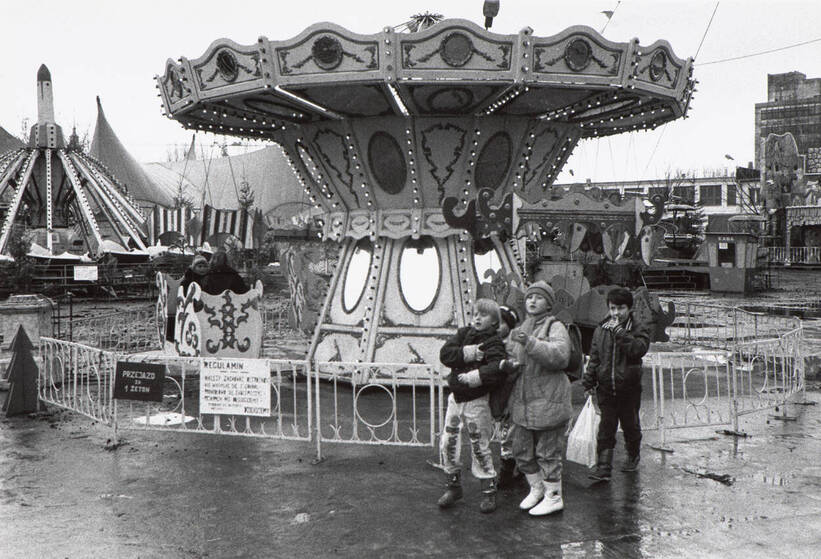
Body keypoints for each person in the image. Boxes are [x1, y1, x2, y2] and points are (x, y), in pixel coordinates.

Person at [437, 298, 512, 514]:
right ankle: (453, 485)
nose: (477, 318)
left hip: (477, 400)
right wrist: (468, 353)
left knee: (479, 444)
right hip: (456, 397)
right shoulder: (463, 334)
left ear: (494, 321)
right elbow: (445, 354)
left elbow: (497, 370)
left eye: (484, 315)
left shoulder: (495, 343)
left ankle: (488, 490)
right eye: (475, 313)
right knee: (447, 442)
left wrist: (476, 376)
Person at [507, 280, 572, 516]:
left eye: (539, 297)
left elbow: (560, 356)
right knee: (521, 450)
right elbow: (513, 352)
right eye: (529, 297)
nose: (532, 301)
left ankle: (554, 496)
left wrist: (531, 342)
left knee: (548, 452)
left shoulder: (555, 327)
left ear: (549, 303)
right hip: (525, 399)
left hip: (549, 399)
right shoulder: (525, 324)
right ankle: (537, 488)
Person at [583, 287, 651, 481]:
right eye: (612, 308)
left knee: (630, 425)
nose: (616, 313)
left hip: (629, 389)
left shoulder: (639, 327)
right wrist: (589, 381)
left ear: (629, 308)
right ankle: (603, 467)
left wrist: (620, 333)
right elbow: (594, 358)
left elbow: (638, 349)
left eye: (620, 308)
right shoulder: (601, 329)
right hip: (606, 388)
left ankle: (633, 454)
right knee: (606, 426)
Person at [494, 305, 524, 489]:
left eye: (502, 323)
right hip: (501, 395)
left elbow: (513, 371)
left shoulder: (513, 345)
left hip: (512, 395)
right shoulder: (492, 342)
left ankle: (508, 469)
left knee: (509, 433)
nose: (497, 326)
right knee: (506, 432)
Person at [166, 254, 210, 342]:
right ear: (194, 268)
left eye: (204, 266)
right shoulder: (189, 279)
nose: (202, 269)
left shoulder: (208, 279)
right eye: (199, 266)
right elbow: (185, 294)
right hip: (190, 307)